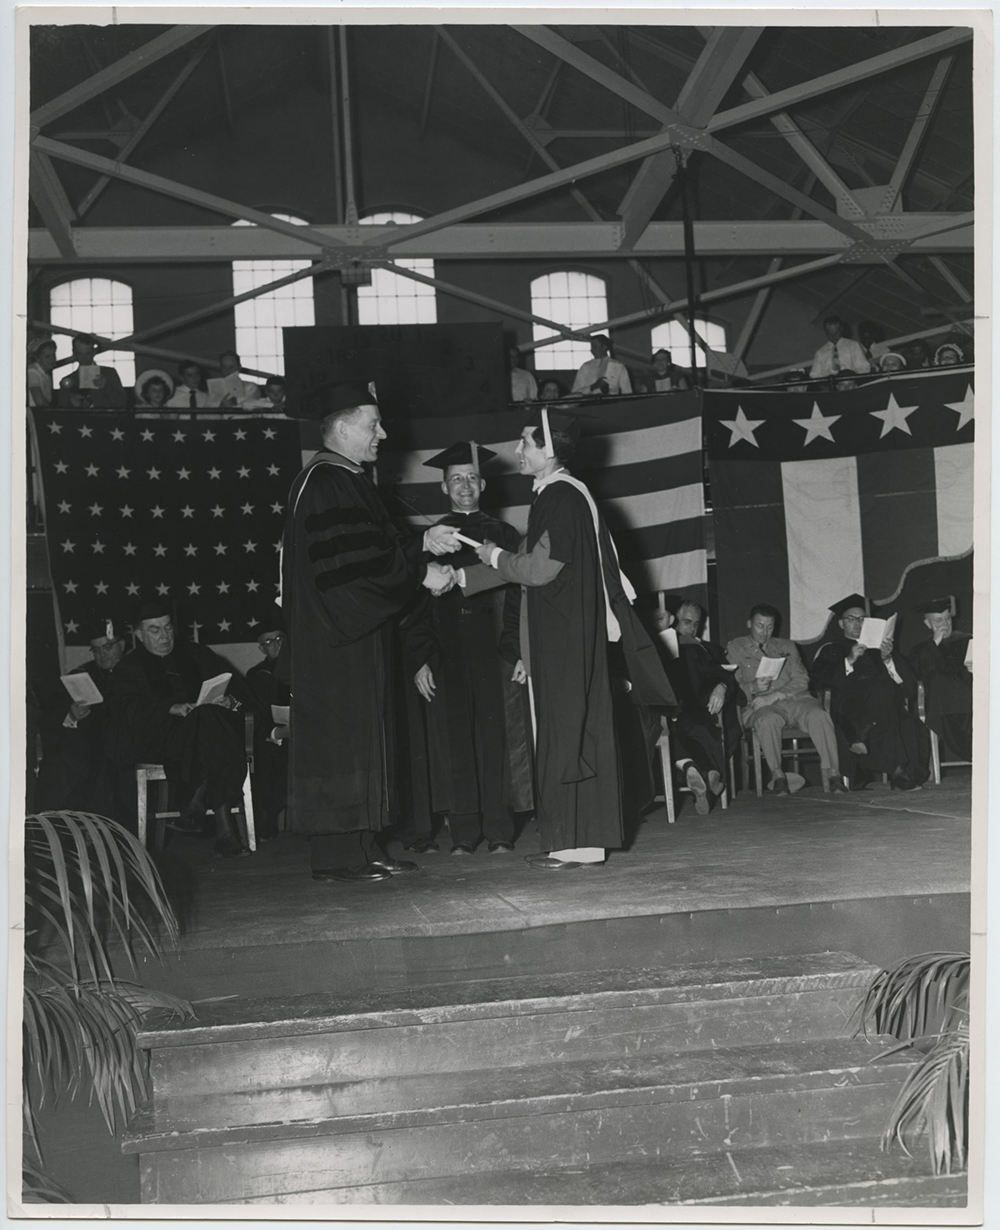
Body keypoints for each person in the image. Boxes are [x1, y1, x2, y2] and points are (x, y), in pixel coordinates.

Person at [455, 408, 674, 869]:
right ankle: (575, 844)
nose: (517, 450)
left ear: (549, 450)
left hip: (564, 642)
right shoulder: (567, 495)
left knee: (566, 736)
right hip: (568, 637)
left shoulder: (559, 495)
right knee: (573, 736)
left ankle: (575, 844)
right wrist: (469, 573)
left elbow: (538, 569)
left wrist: (492, 554)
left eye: (526, 443)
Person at [278, 384, 462, 884]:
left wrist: (421, 543)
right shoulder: (326, 482)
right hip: (336, 642)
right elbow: (349, 568)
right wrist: (418, 573)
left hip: (352, 637)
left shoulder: (343, 479)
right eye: (372, 425)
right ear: (340, 429)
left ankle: (362, 846)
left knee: (362, 740)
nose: (384, 433)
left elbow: (371, 552)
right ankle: (338, 856)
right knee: (343, 743)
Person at [401, 442, 531, 856]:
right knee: (454, 742)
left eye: (471, 478)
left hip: (495, 649)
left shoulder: (505, 535)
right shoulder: (432, 538)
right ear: (443, 486)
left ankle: (499, 831)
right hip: (446, 652)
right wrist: (422, 658)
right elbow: (414, 605)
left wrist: (517, 650)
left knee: (497, 741)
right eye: (456, 479)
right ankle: (462, 834)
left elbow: (520, 598)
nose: (464, 486)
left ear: (484, 484)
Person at [103, 602, 254, 855]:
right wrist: (168, 708)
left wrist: (230, 701)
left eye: (168, 627)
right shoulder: (128, 669)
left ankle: (195, 805)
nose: (165, 636)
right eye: (155, 630)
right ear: (138, 635)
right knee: (210, 728)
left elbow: (240, 691)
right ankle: (224, 829)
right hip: (163, 744)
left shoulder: (198, 655)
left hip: (206, 739)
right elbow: (122, 711)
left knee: (207, 720)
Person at [811, 595, 929, 792]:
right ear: (841, 623)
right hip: (850, 710)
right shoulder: (831, 649)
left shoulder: (880, 649)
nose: (858, 623)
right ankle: (898, 774)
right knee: (883, 694)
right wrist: (848, 660)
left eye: (862, 619)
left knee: (898, 712)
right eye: (851, 619)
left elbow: (908, 686)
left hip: (881, 712)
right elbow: (820, 683)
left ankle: (865, 737)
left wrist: (888, 659)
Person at [726, 604, 845, 795]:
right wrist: (753, 687)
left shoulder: (787, 646)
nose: (764, 632)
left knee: (820, 716)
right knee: (768, 720)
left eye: (770, 626)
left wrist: (777, 694)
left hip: (795, 700)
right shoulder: (735, 647)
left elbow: (801, 679)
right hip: (760, 705)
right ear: (749, 623)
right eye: (759, 625)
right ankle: (778, 777)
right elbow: (730, 685)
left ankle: (834, 775)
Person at [35, 614, 128, 814]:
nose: (102, 655)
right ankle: (54, 826)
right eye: (96, 650)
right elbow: (53, 718)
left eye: (107, 647)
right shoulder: (81, 675)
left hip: (124, 748)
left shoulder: (137, 671)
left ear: (122, 644)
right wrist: (72, 716)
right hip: (85, 748)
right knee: (61, 763)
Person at [664, 600, 741, 815]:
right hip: (662, 711)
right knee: (675, 730)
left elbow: (720, 673)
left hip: (694, 710)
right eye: (687, 622)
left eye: (696, 624)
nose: (691, 628)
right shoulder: (657, 646)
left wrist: (721, 686)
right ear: (673, 621)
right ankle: (708, 772)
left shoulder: (705, 649)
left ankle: (694, 770)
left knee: (695, 728)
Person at [908, 598, 972, 763]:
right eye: (938, 620)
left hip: (973, 699)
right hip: (944, 708)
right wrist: (934, 643)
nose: (945, 623)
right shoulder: (920, 649)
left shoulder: (966, 640)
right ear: (928, 624)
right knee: (939, 680)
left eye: (947, 618)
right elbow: (918, 673)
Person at [245, 617, 290, 840]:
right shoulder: (258, 675)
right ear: (262, 647)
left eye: (280, 638)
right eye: (269, 642)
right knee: (268, 753)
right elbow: (258, 712)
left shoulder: (307, 666)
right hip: (275, 736)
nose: (276, 644)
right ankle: (268, 817)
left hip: (309, 734)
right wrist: (276, 733)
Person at [56, 334, 127, 409]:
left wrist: (106, 387)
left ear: (94, 352)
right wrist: (71, 403)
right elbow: (62, 411)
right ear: (74, 353)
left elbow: (123, 403)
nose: (84, 359)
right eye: (80, 354)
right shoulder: (67, 381)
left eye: (88, 354)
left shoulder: (109, 374)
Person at [27, 338, 58, 408]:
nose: (52, 359)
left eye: (53, 355)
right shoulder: (32, 372)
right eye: (47, 357)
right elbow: (40, 402)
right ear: (37, 358)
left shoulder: (44, 373)